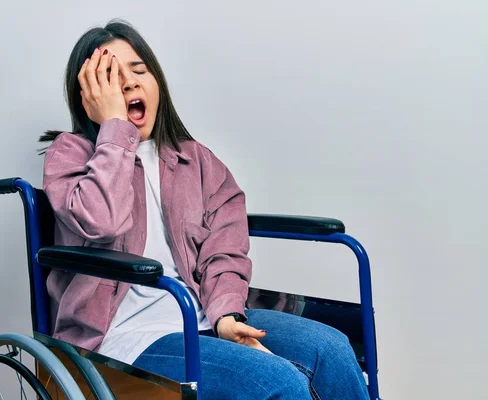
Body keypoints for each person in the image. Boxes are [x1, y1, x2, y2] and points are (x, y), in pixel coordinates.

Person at [40, 19, 370, 400]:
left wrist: (227, 314)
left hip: (203, 317)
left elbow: (224, 248)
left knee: (330, 349)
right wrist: (114, 128)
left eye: (138, 70)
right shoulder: (70, 155)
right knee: (278, 383)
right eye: (111, 77)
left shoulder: (196, 161)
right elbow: (102, 220)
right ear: (89, 95)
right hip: (119, 337)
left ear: (157, 81)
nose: (129, 83)